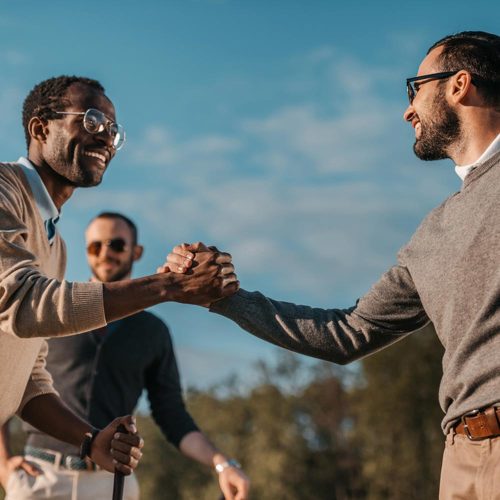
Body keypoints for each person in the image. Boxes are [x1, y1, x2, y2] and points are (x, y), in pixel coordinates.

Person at [165, 31, 500, 500]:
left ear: (459, 84)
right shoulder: (433, 234)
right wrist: (226, 298)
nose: (407, 110)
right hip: (461, 459)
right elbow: (350, 332)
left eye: (415, 89)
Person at [0, 76, 236, 495]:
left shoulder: (55, 245)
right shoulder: (4, 190)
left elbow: (30, 380)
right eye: (92, 121)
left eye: (114, 130)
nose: (106, 136)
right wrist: (168, 286)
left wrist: (90, 440)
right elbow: (22, 302)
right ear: (40, 129)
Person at [0, 211, 250, 500]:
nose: (106, 252)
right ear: (87, 252)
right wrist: (3, 465)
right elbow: (8, 379)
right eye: (96, 246)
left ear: (137, 251)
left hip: (112, 484)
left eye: (117, 245)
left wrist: (222, 465)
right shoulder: (53, 312)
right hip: (39, 478)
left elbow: (172, 414)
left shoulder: (153, 332)